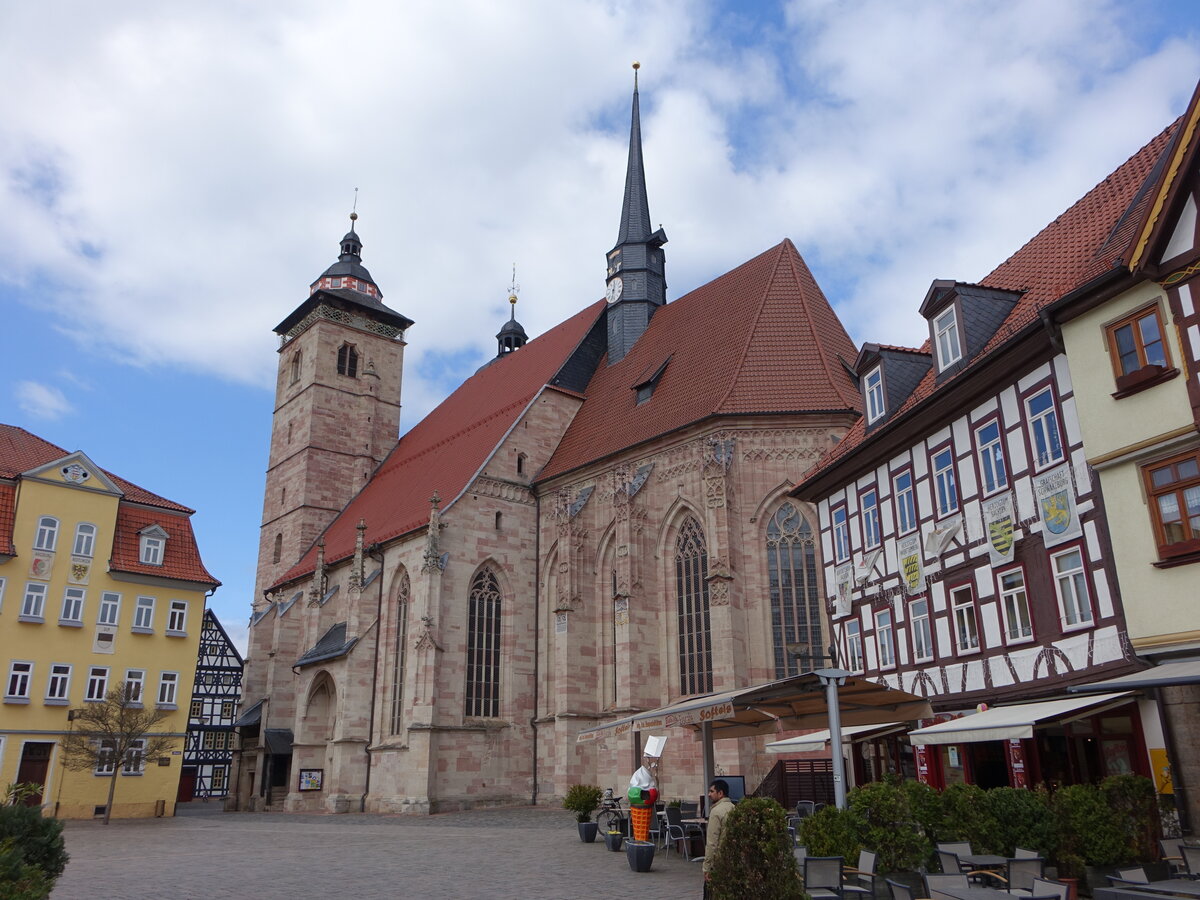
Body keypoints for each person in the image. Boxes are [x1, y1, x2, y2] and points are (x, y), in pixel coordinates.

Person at [702, 778, 735, 895]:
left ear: (720, 793)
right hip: (732, 859)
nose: (709, 794)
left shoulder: (716, 812)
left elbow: (712, 842)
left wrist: (707, 867)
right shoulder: (734, 808)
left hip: (719, 862)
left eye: (712, 791)